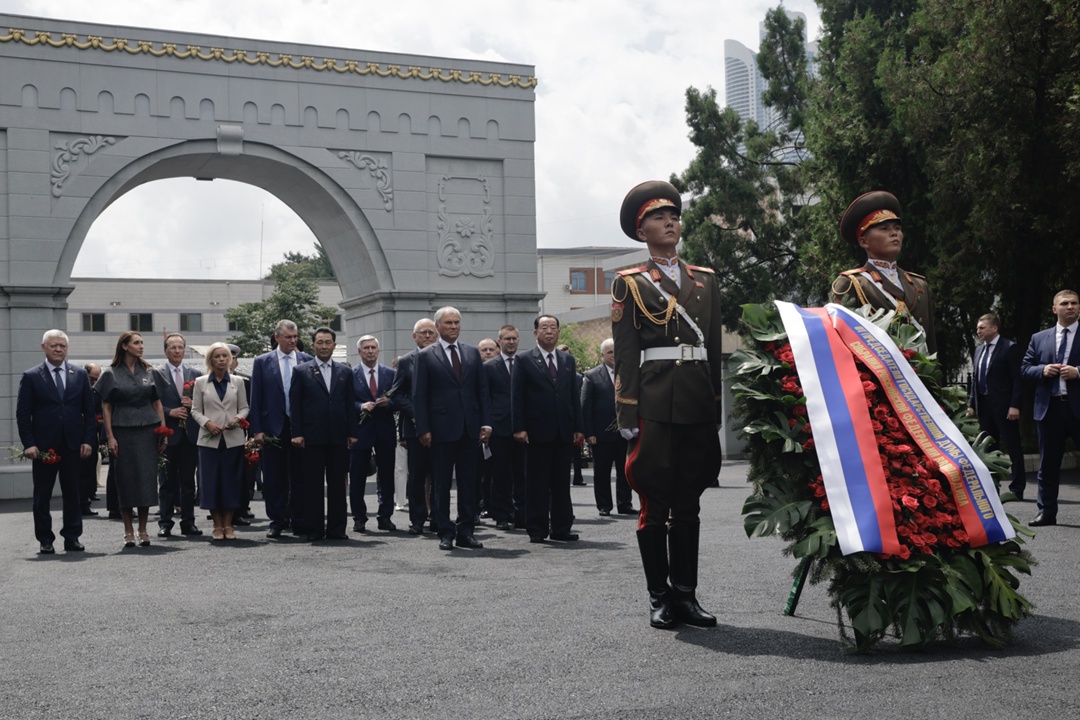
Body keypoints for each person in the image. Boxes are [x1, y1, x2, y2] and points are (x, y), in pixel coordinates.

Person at [611, 180, 723, 629]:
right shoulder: (630, 284)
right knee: (654, 503)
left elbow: (712, 348)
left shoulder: (706, 280)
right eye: (658, 217)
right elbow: (624, 353)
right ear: (642, 232)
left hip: (695, 403)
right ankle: (658, 596)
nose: (670, 222)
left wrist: (714, 407)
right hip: (654, 404)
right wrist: (626, 412)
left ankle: (686, 595)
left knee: (689, 503)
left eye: (673, 215)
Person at [412, 306, 492, 550]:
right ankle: (445, 532)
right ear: (437, 327)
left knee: (469, 483)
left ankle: (466, 531)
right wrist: (423, 429)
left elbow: (482, 390)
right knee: (442, 483)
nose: (454, 327)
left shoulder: (471, 353)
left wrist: (486, 422)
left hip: (470, 429)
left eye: (457, 322)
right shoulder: (426, 356)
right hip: (440, 429)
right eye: (448, 323)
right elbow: (419, 395)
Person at [16, 329, 96, 554]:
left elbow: (89, 411)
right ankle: (45, 539)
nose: (58, 349)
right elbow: (23, 414)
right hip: (43, 447)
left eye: (62, 345)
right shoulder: (31, 376)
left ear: (67, 348)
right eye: (54, 345)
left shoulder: (79, 374)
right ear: (44, 347)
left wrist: (88, 440)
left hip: (73, 445)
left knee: (73, 493)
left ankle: (72, 537)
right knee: (42, 495)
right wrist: (29, 443)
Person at [829, 190, 937, 354]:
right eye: (884, 228)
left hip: (917, 377)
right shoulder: (851, 283)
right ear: (864, 241)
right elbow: (839, 342)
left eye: (897, 228)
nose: (894, 233)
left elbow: (931, 343)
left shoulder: (919, 284)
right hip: (875, 377)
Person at [512, 316, 583, 543]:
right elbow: (517, 396)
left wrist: (578, 427)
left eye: (553, 328)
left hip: (563, 430)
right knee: (537, 483)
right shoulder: (523, 360)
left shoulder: (567, 360)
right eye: (544, 328)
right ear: (535, 333)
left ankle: (562, 528)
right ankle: (537, 529)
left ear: (559, 333)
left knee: (562, 482)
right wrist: (519, 427)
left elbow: (574, 396)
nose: (549, 332)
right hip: (535, 431)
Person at [96, 331, 168, 548]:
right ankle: (128, 530)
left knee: (146, 480)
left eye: (142, 342)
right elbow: (106, 407)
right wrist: (110, 436)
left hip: (148, 431)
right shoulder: (110, 373)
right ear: (125, 346)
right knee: (125, 480)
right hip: (122, 431)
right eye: (137, 343)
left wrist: (163, 430)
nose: (141, 346)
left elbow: (157, 402)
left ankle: (143, 529)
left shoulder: (150, 371)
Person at [290, 328, 358, 541]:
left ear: (334, 345)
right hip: (311, 436)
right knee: (313, 485)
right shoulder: (301, 371)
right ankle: (314, 529)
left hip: (338, 437)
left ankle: (337, 529)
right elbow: (295, 405)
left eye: (328, 342)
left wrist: (352, 432)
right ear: (313, 345)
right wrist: (297, 433)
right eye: (320, 342)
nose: (324, 346)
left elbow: (349, 404)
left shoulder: (345, 371)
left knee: (338, 485)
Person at [1021, 289, 1080, 526]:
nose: (1070, 307)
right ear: (1054, 309)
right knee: (1048, 463)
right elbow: (1025, 369)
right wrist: (1042, 370)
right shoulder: (1039, 338)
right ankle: (1046, 512)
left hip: (1077, 409)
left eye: (1075, 303)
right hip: (1049, 409)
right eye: (1065, 303)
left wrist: (1078, 372)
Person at [249, 320, 313, 538]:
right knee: (274, 477)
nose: (294, 341)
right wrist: (256, 430)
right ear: (277, 338)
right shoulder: (262, 362)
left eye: (295, 337)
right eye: (289, 337)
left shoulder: (307, 360)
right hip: (272, 427)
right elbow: (255, 398)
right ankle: (277, 520)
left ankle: (299, 520)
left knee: (300, 476)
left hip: (299, 427)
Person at [190, 343, 249, 540]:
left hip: (233, 439)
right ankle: (216, 524)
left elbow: (245, 407)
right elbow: (195, 410)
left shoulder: (238, 382)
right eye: (217, 356)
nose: (222, 360)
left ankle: (228, 524)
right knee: (211, 482)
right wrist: (207, 423)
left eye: (225, 356)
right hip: (209, 440)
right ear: (210, 360)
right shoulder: (200, 382)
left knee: (231, 481)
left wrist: (238, 419)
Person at [967, 313, 1026, 499]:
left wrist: (1015, 405)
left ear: (994, 328)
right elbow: (975, 380)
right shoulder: (978, 350)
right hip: (985, 407)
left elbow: (1018, 379)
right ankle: (992, 486)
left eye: (982, 327)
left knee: (1012, 447)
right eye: (977, 328)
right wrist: (972, 405)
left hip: (1005, 407)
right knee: (988, 449)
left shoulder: (1009, 348)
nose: (978, 331)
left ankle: (1017, 488)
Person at [389, 318, 438, 535]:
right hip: (415, 428)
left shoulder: (443, 358)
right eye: (423, 333)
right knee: (417, 475)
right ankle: (417, 519)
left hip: (442, 427)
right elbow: (397, 394)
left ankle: (438, 517)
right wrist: (418, 414)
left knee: (440, 474)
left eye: (431, 332)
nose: (427, 336)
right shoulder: (406, 361)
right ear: (414, 336)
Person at [154, 333, 202, 537]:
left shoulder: (196, 374)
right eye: (172, 347)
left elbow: (204, 403)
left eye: (180, 347)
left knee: (188, 482)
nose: (176, 351)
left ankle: (188, 522)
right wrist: (169, 412)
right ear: (165, 351)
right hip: (168, 434)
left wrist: (194, 405)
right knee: (166, 482)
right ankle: (165, 523)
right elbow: (151, 403)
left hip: (189, 435)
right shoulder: (157, 374)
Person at [582, 338, 635, 516]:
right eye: (610, 352)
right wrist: (589, 433)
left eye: (616, 351)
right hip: (601, 433)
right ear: (602, 355)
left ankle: (625, 503)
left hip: (625, 432)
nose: (613, 355)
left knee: (625, 470)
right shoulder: (591, 376)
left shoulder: (628, 374)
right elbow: (586, 406)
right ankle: (604, 505)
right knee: (602, 471)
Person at [349, 335, 397, 532]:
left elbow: (400, 398)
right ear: (360, 352)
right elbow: (345, 401)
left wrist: (389, 403)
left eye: (373, 348)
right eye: (366, 348)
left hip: (384, 430)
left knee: (386, 476)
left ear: (378, 351)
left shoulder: (390, 374)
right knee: (358, 476)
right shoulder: (350, 374)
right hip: (360, 431)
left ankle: (385, 516)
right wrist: (360, 406)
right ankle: (359, 518)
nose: (370, 351)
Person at [483, 325, 524, 531]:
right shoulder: (489, 367)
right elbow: (485, 399)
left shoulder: (526, 364)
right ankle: (501, 515)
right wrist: (487, 424)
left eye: (514, 338)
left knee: (523, 474)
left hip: (523, 428)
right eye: (507, 339)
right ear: (499, 342)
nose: (511, 342)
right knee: (500, 475)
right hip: (499, 429)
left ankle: (522, 514)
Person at [475, 338, 500, 518]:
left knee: (497, 472)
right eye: (484, 350)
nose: (488, 352)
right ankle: (480, 505)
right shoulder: (475, 372)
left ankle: (496, 506)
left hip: (499, 429)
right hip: (478, 430)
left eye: (492, 349)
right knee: (479, 473)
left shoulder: (503, 370)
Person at [79, 362, 104, 517]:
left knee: (91, 466)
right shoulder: (78, 390)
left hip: (92, 435)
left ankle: (89, 493)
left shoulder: (96, 392)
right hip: (77, 436)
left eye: (96, 379)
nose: (93, 382)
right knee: (80, 471)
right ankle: (82, 503)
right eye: (91, 378)